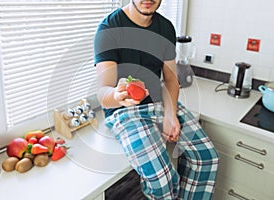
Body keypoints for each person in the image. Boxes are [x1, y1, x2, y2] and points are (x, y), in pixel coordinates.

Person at [94, 0, 220, 199]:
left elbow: (170, 79)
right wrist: (117, 96)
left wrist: (171, 115)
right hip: (125, 113)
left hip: (160, 103)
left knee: (207, 158)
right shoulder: (109, 29)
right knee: (163, 180)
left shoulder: (165, 27)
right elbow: (103, 94)